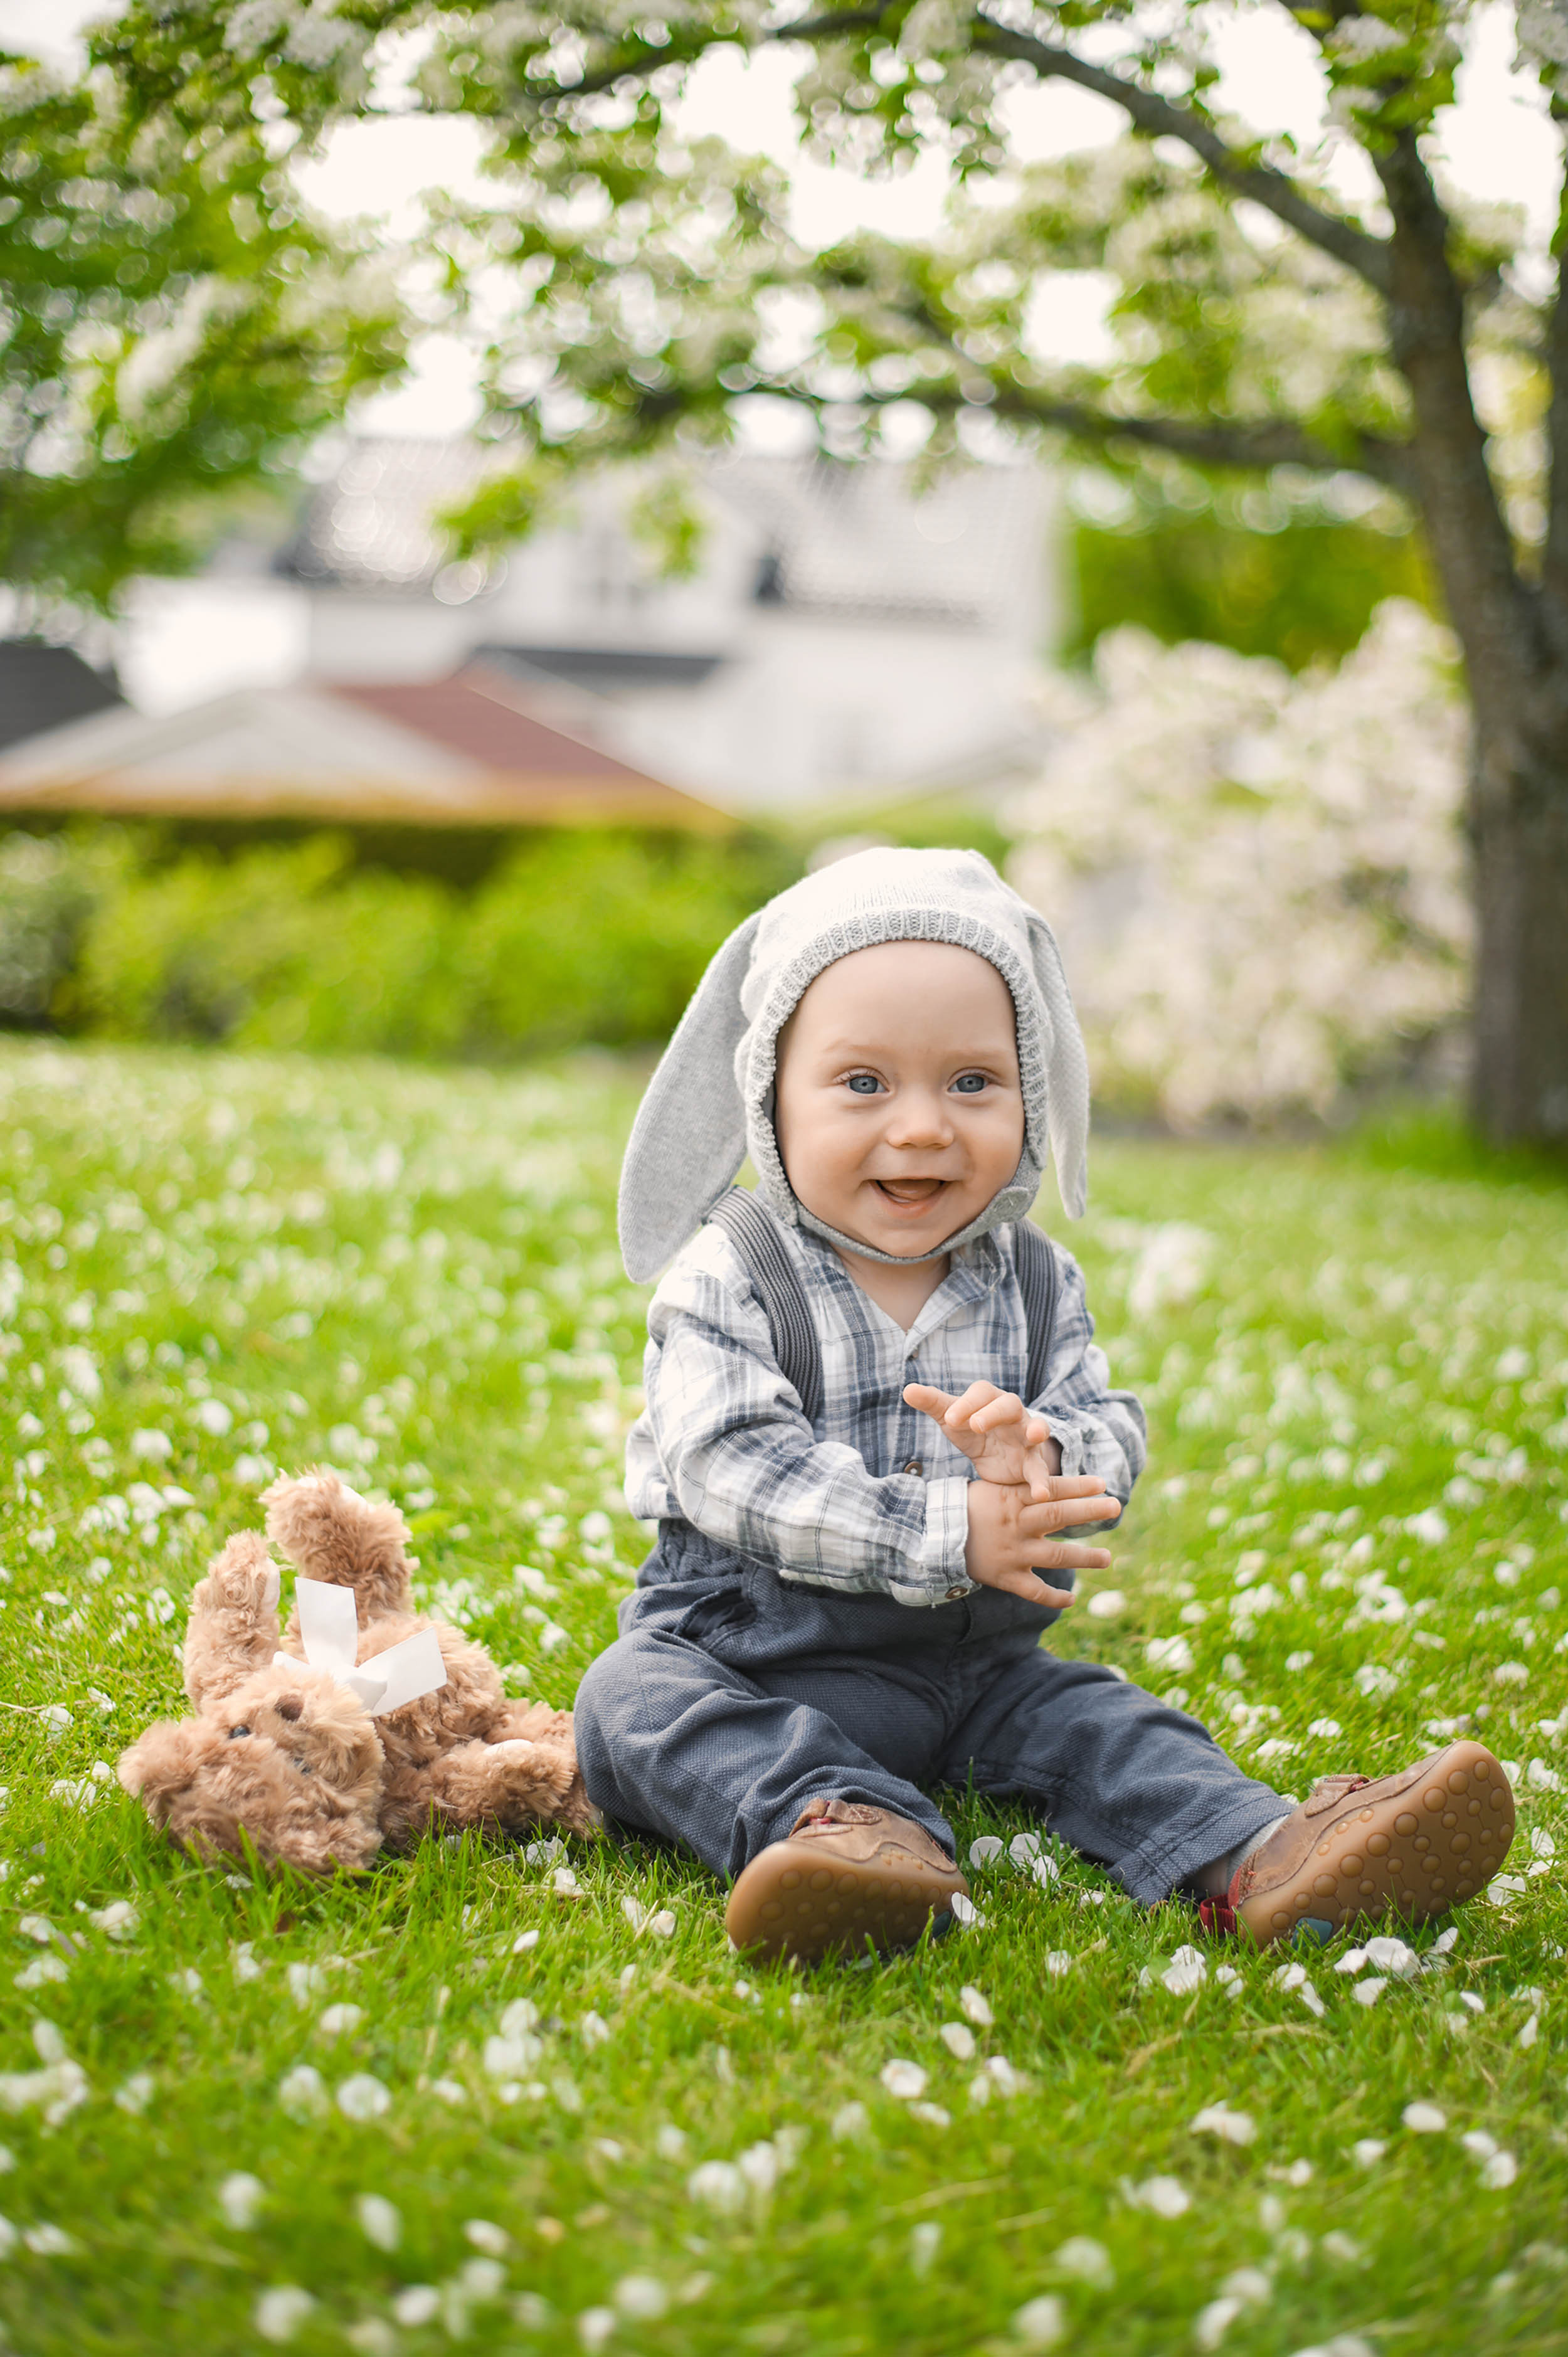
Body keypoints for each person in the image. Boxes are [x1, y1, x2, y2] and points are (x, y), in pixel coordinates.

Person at [573, 849, 1515, 1962]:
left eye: (973, 1082)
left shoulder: (1031, 1276)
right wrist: (944, 1527)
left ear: (1034, 1087)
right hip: (758, 1653)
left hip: (974, 1673)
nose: (923, 1127)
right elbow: (726, 1459)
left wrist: (1050, 1465)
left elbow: (1107, 1415)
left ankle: (1266, 1855)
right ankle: (845, 1827)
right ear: (767, 1092)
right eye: (863, 1083)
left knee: (1109, 1723)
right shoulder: (729, 1272)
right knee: (627, 1703)